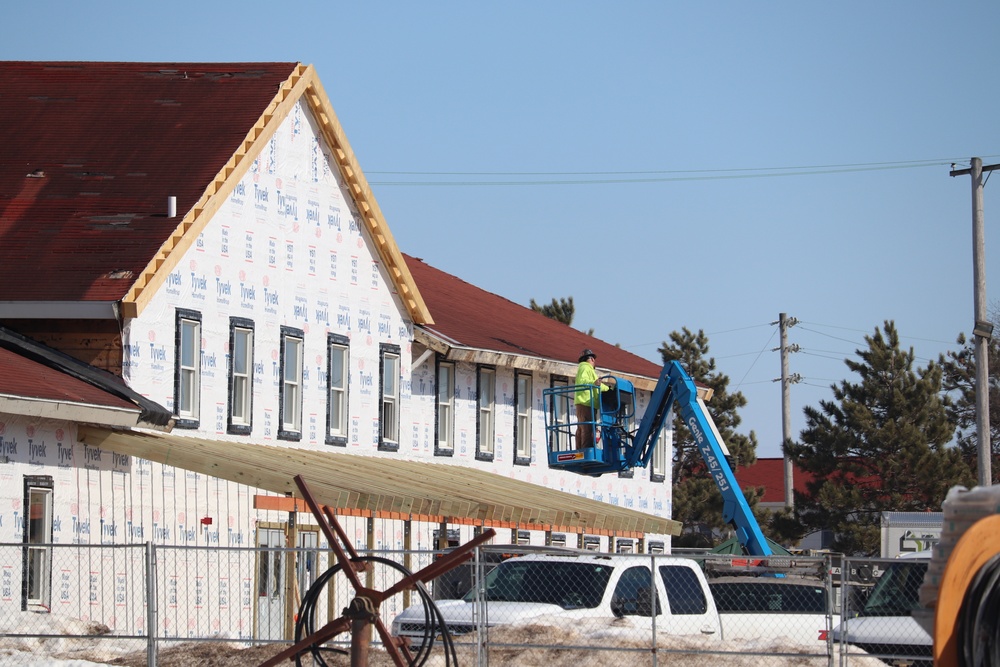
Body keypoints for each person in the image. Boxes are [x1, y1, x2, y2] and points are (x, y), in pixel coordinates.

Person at [574, 349, 610, 449]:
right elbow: (584, 382)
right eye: (594, 359)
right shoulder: (585, 368)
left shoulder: (587, 369)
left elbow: (598, 384)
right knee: (587, 428)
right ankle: (586, 451)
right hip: (586, 402)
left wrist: (607, 389)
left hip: (585, 403)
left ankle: (580, 450)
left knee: (582, 428)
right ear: (591, 359)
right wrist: (594, 383)